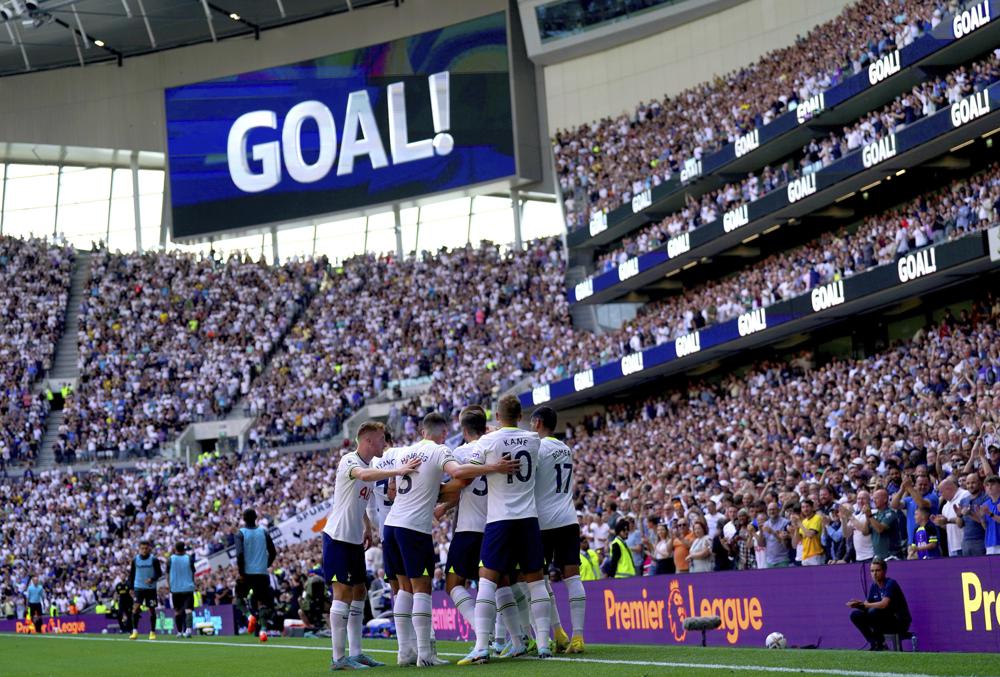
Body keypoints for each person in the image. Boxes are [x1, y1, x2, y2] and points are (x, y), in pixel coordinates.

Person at [385, 411, 516, 667]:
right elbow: (461, 476)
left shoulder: (401, 452)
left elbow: (390, 490)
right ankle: (426, 654)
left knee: (404, 588)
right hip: (418, 527)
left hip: (392, 525)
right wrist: (493, 468)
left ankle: (405, 652)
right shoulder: (443, 451)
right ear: (444, 433)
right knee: (422, 587)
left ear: (422, 431)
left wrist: (431, 496)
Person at [458, 395, 553, 665]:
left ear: (497, 417)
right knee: (535, 581)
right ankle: (544, 644)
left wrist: (492, 466)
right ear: (521, 415)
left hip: (499, 519)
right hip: (527, 518)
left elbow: (463, 470)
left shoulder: (489, 440)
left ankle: (481, 647)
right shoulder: (534, 439)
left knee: (487, 579)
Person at [322, 420, 419, 670]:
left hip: (354, 538)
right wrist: (398, 472)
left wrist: (366, 525)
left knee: (360, 592)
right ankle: (337, 658)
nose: (384, 443)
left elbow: (360, 498)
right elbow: (363, 476)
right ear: (367, 441)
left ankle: (356, 653)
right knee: (342, 593)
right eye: (380, 439)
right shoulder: (349, 461)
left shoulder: (369, 464)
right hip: (337, 537)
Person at [531, 406, 586, 654]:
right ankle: (578, 637)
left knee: (540, 580)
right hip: (568, 518)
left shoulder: (537, 448)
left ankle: (558, 631)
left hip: (543, 521)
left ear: (538, 423)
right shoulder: (566, 449)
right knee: (572, 576)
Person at [847, 558, 912, 651]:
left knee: (874, 611)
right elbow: (868, 605)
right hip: (883, 621)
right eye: (872, 571)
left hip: (899, 622)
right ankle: (875, 643)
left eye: (877, 570)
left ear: (884, 571)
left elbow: (883, 605)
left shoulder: (890, 583)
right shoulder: (874, 585)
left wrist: (866, 605)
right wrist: (859, 605)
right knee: (855, 615)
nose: (874, 574)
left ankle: (880, 643)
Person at [236, 508, 277, 643]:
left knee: (239, 599)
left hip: (247, 573)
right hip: (261, 573)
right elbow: (273, 552)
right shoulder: (264, 532)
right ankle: (263, 630)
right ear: (256, 518)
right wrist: (266, 565)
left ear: (243, 519)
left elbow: (240, 554)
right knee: (263, 603)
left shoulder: (240, 533)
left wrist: (241, 572)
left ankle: (249, 617)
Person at [128, 540, 162, 640]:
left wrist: (152, 579)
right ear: (139, 549)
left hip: (150, 589)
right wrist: (130, 587)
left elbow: (159, 573)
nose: (144, 550)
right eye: (142, 548)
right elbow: (132, 574)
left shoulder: (154, 560)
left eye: (146, 548)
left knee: (151, 610)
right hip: (138, 587)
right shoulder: (135, 560)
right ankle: (134, 632)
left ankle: (152, 632)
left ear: (149, 549)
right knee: (135, 608)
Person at [932, 478, 969, 557]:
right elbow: (947, 526)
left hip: (965, 544)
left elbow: (966, 520)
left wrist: (947, 520)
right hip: (952, 546)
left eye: (941, 492)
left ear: (948, 489)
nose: (941, 495)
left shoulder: (965, 495)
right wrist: (940, 523)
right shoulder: (945, 506)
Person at [167, 541, 196, 637]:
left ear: (175, 548)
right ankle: (188, 630)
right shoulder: (189, 558)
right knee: (188, 610)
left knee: (177, 611)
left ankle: (179, 632)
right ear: (184, 548)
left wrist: (169, 586)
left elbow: (167, 574)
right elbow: (193, 572)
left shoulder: (170, 559)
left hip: (175, 588)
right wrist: (192, 583)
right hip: (188, 588)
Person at [792, 499, 826, 565]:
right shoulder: (804, 522)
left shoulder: (817, 518)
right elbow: (796, 543)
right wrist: (796, 528)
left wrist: (799, 523)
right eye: (803, 507)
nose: (805, 509)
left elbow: (810, 535)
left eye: (807, 506)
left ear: (812, 507)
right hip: (805, 556)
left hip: (816, 554)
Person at [757, 502, 791, 568]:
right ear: (767, 511)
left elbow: (786, 544)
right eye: (770, 510)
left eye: (774, 509)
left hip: (783, 560)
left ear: (778, 510)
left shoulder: (785, 522)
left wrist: (772, 532)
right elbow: (761, 544)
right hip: (769, 561)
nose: (772, 511)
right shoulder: (765, 524)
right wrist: (761, 531)